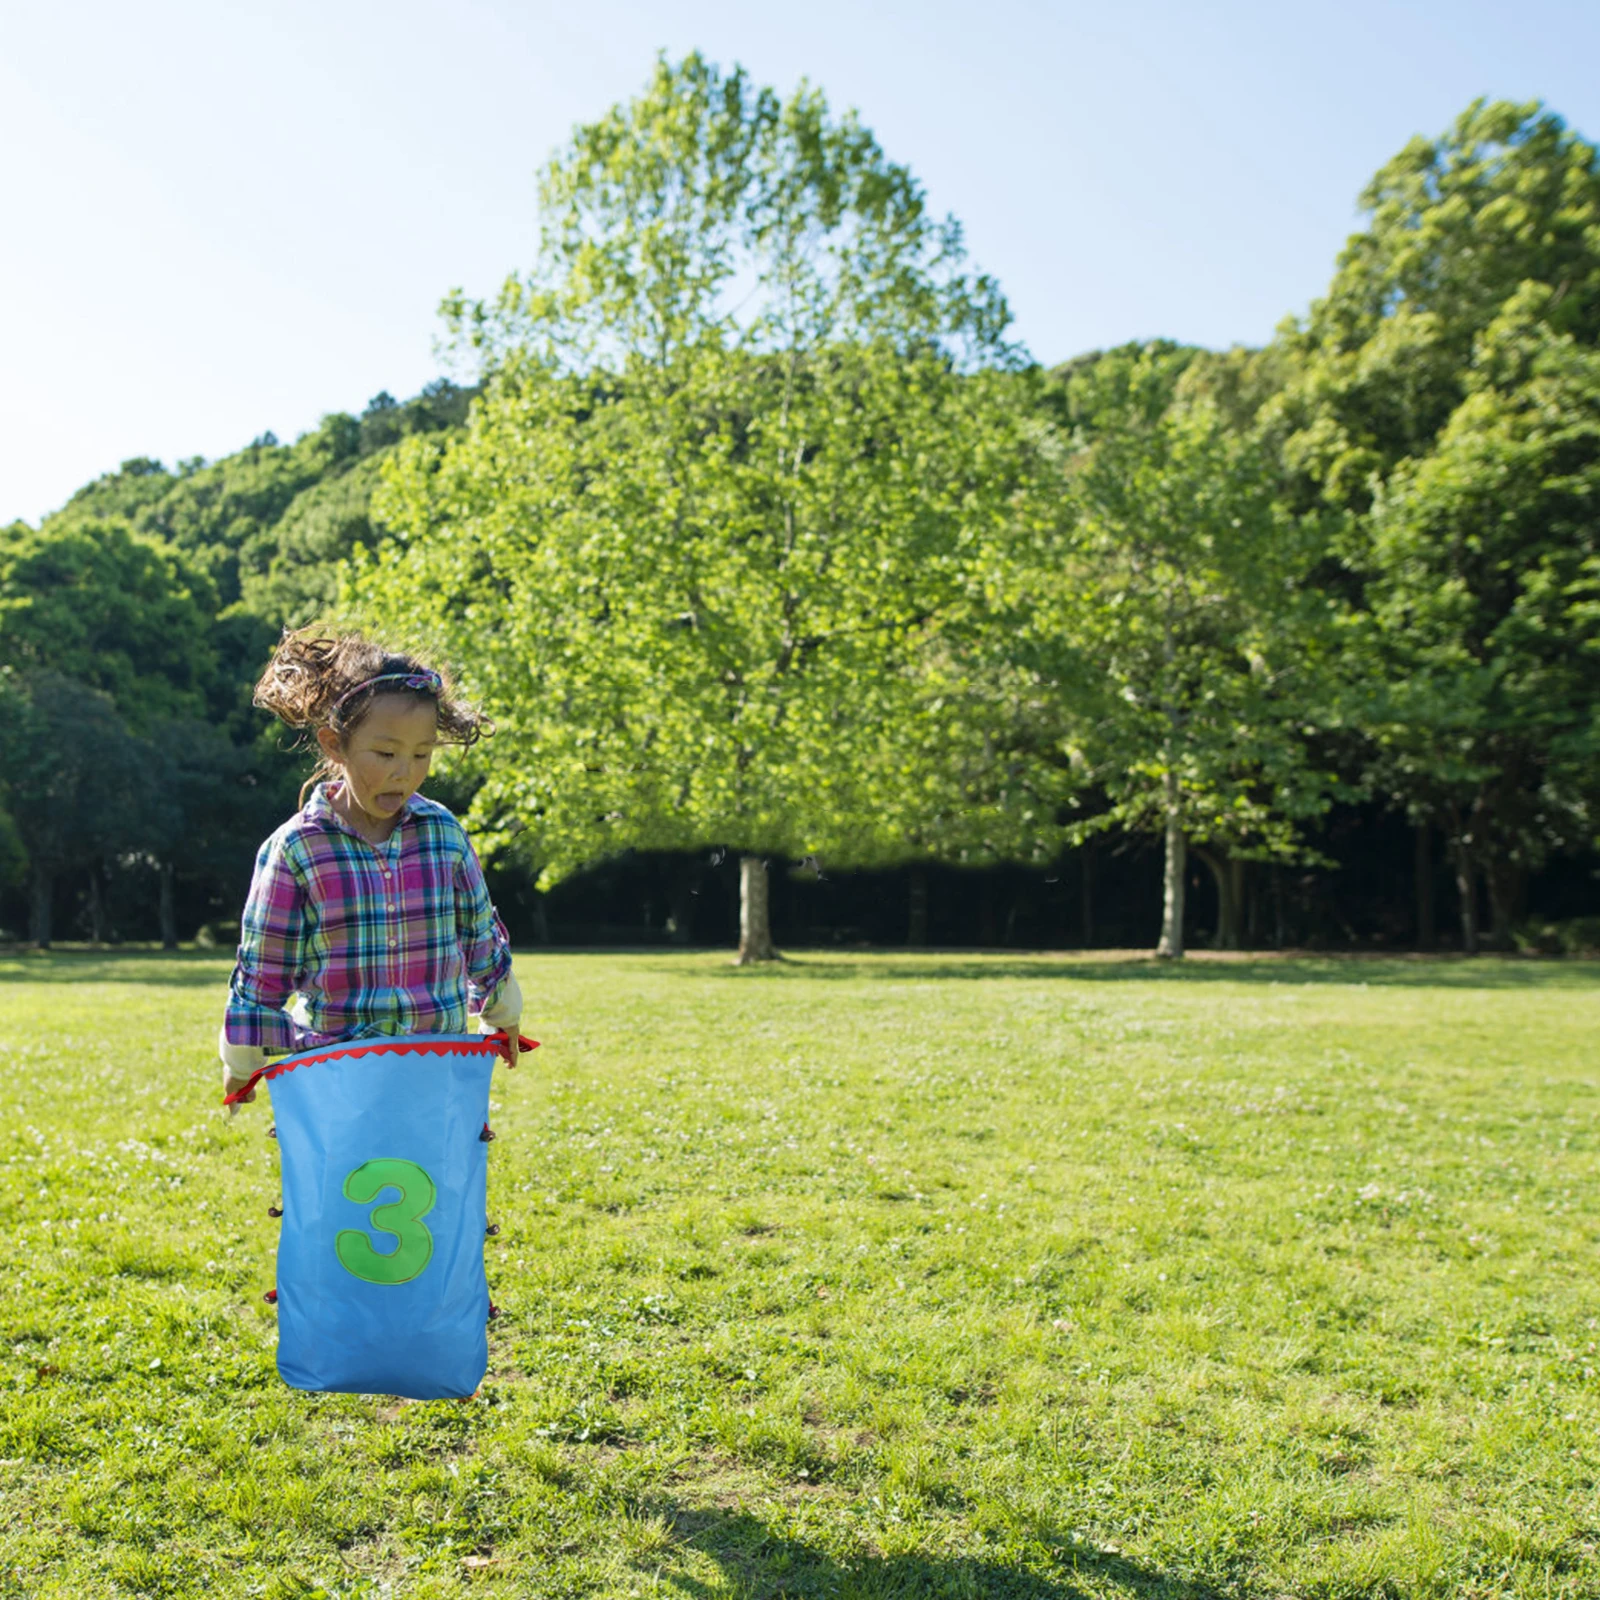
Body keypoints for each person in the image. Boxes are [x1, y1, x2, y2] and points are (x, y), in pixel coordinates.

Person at [218, 629, 523, 1106]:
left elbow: (479, 935)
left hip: (436, 1074)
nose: (405, 770)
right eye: (385, 753)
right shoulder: (298, 849)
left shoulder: (443, 834)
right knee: (345, 1183)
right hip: (338, 1082)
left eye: (421, 754)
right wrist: (241, 1062)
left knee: (434, 1181)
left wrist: (502, 1011)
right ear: (335, 744)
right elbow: (263, 970)